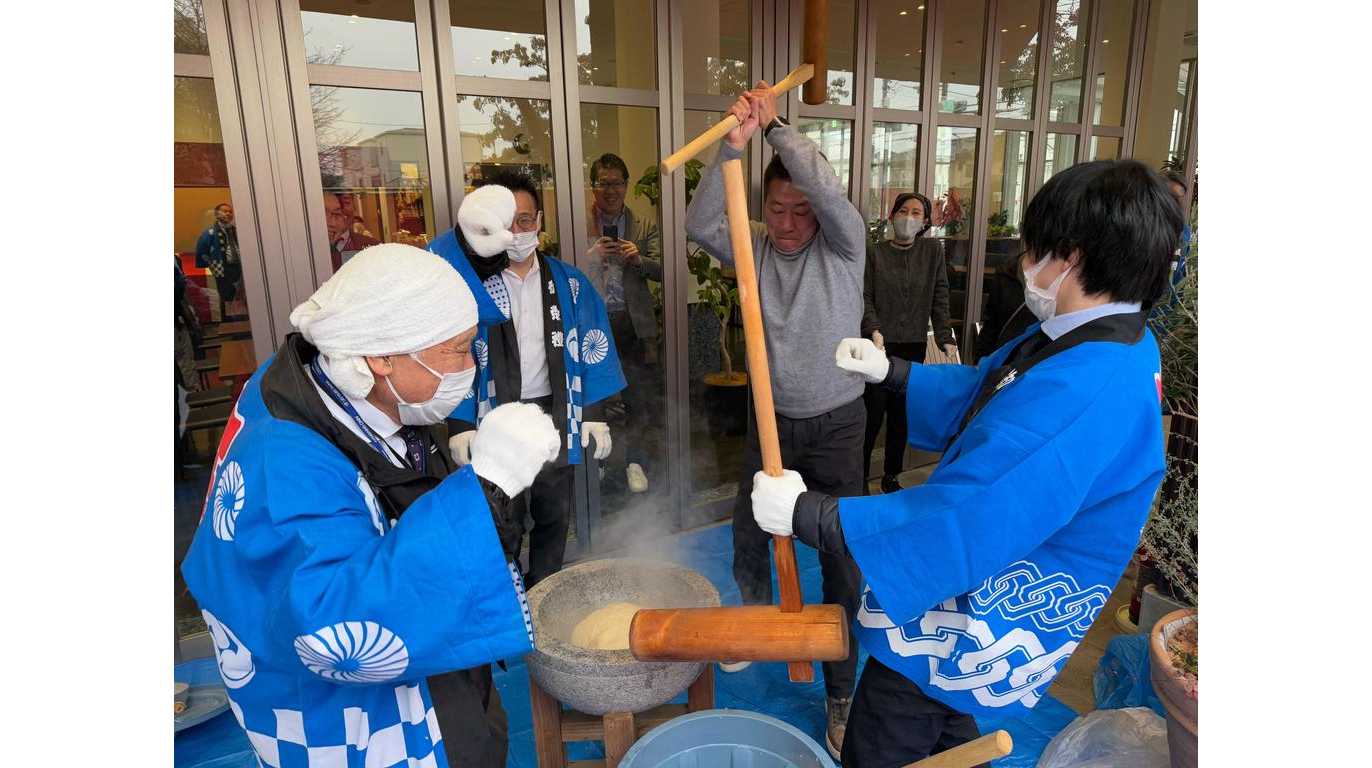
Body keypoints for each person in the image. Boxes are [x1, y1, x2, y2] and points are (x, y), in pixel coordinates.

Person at [750, 159, 1182, 767]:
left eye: (1035, 246)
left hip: (992, 587)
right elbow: (990, 388)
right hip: (989, 570)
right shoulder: (1095, 333)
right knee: (947, 719)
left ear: (1073, 257)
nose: (1025, 261)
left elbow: (966, 512)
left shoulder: (1088, 385)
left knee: (890, 725)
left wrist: (810, 514)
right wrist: (891, 373)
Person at [180, 243, 562, 768]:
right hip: (357, 721)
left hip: (433, 662)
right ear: (380, 357)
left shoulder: (324, 378)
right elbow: (337, 620)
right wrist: (487, 490)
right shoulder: (286, 461)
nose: (468, 365)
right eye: (456, 349)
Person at [684, 79, 865, 759]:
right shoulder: (752, 243)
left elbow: (831, 196)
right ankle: (758, 621)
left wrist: (775, 126)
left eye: (800, 210)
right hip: (771, 423)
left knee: (839, 554)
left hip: (837, 422)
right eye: (775, 209)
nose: (787, 224)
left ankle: (841, 690)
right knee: (747, 532)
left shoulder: (844, 248)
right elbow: (701, 225)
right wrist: (733, 149)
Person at [430, 172, 626, 588]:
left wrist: (591, 413)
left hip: (556, 410)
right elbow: (453, 355)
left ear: (539, 220)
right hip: (494, 416)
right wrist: (461, 424)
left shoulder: (570, 283)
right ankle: (509, 601)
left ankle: (544, 595)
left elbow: (595, 341)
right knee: (503, 516)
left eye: (523, 220)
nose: (515, 233)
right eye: (503, 223)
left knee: (554, 515)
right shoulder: (469, 286)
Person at [861, 192, 956, 494]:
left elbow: (940, 295)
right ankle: (859, 476)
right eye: (903, 211)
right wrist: (874, 329)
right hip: (878, 347)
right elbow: (864, 296)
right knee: (872, 414)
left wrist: (945, 337)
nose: (908, 217)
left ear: (925, 221)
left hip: (912, 344)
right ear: (891, 216)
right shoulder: (874, 253)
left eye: (916, 213)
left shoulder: (932, 253)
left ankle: (891, 476)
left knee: (901, 416)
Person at [585, 153, 664, 494]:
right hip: (594, 323)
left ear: (627, 185)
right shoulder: (579, 224)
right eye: (604, 183)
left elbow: (666, 270)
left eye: (617, 182)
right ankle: (597, 464)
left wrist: (639, 258)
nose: (611, 190)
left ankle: (636, 463)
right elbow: (558, 267)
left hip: (633, 324)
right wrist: (589, 257)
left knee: (638, 397)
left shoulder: (644, 224)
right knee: (595, 398)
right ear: (593, 187)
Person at [975, 253, 1034, 362]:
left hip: (1035, 366)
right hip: (1002, 363)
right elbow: (990, 326)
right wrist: (980, 363)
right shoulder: (1006, 271)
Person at [195, 202, 242, 314]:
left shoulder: (237, 230)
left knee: (240, 294)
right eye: (225, 211)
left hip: (239, 267)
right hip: (222, 268)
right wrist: (211, 264)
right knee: (226, 294)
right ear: (216, 215)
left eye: (230, 211)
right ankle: (228, 319)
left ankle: (240, 317)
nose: (228, 214)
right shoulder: (210, 233)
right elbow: (202, 249)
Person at [326, 192, 380, 271]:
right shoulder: (309, 250)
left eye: (346, 202)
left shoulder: (374, 247)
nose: (340, 211)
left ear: (354, 207)